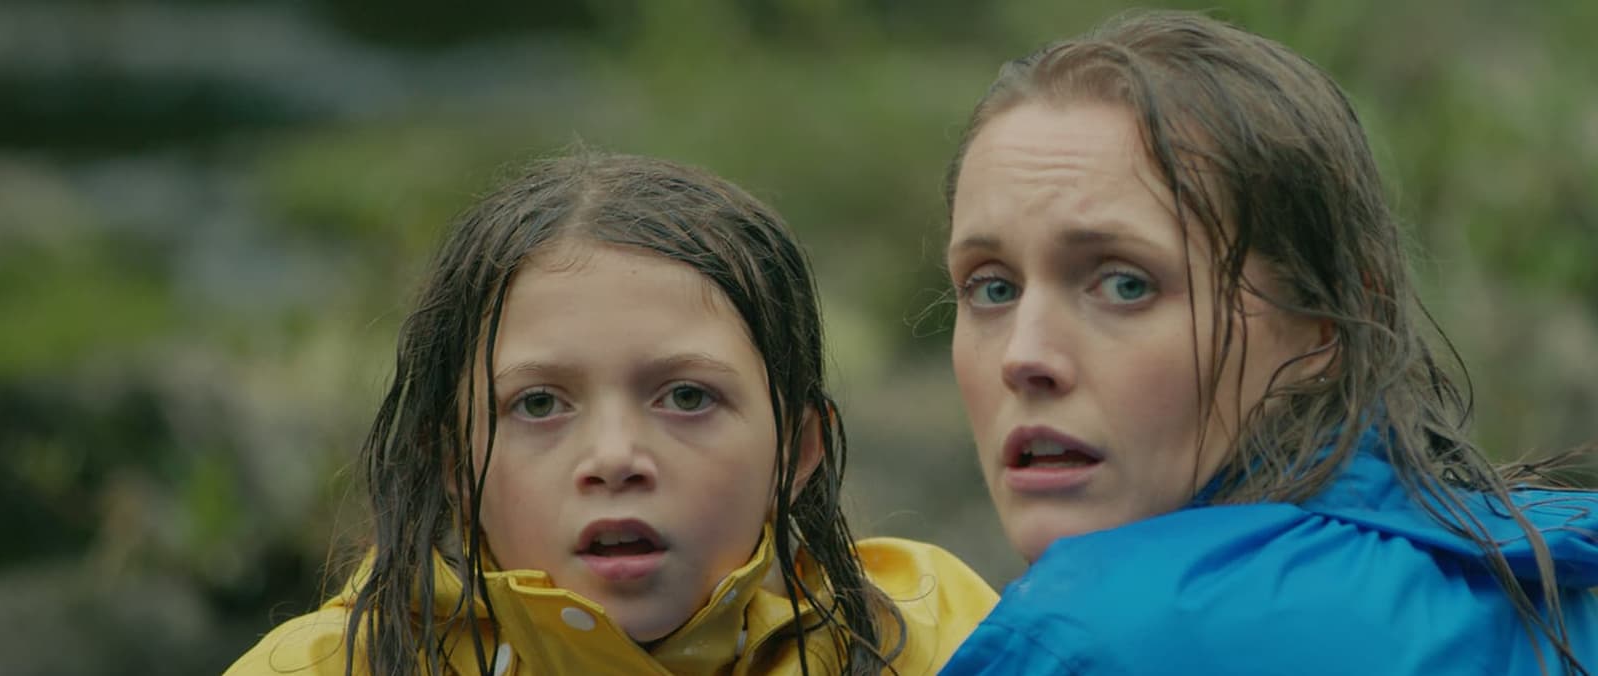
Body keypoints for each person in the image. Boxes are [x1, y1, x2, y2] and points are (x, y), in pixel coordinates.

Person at [935, 10, 1597, 675]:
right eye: (992, 288)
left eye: (1125, 285)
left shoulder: (1089, 639)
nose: (1024, 357)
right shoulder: (1550, 600)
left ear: (1326, 322)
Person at [224, 151, 998, 676]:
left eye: (687, 397)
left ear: (796, 452)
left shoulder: (935, 640)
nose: (616, 457)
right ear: (454, 465)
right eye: (538, 404)